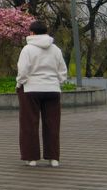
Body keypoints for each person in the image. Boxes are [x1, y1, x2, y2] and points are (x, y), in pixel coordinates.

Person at [16, 20, 68, 167]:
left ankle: (31, 158)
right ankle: (53, 158)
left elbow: (23, 71)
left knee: (29, 124)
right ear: (46, 32)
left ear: (32, 33)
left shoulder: (27, 49)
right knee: (52, 124)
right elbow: (62, 70)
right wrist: (58, 82)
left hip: (31, 90)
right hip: (52, 89)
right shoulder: (55, 49)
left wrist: (20, 83)